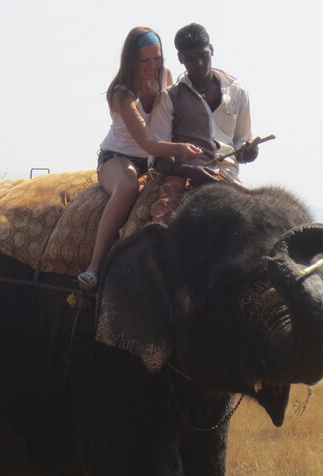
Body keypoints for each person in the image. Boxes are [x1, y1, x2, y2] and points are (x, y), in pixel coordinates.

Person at [78, 27, 203, 290]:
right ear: (132, 60)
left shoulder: (165, 76)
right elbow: (146, 141)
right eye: (145, 60)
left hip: (154, 160)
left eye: (157, 58)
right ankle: (95, 265)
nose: (152, 65)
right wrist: (181, 149)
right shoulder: (122, 93)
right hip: (119, 157)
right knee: (127, 186)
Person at [150, 23, 257, 185]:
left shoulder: (237, 92)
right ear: (180, 58)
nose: (199, 64)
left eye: (203, 56)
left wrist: (248, 152)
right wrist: (185, 170)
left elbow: (242, 141)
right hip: (187, 179)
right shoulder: (169, 97)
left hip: (229, 179)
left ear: (212, 50)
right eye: (191, 59)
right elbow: (157, 155)